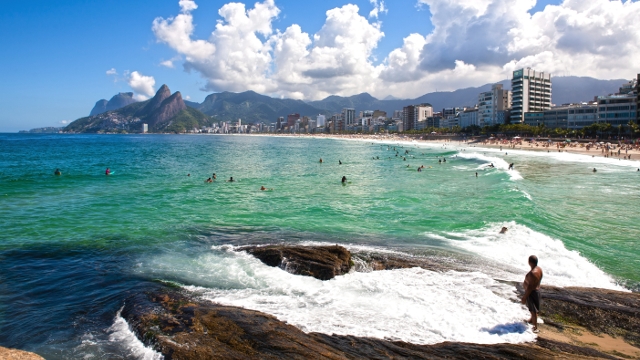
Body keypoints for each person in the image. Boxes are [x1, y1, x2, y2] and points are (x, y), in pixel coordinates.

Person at [521, 255, 543, 333]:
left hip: (532, 292)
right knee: (534, 309)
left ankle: (535, 327)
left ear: (529, 262)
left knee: (533, 311)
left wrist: (524, 297)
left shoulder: (532, 273)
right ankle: (531, 320)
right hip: (537, 290)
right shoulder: (539, 269)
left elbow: (530, 287)